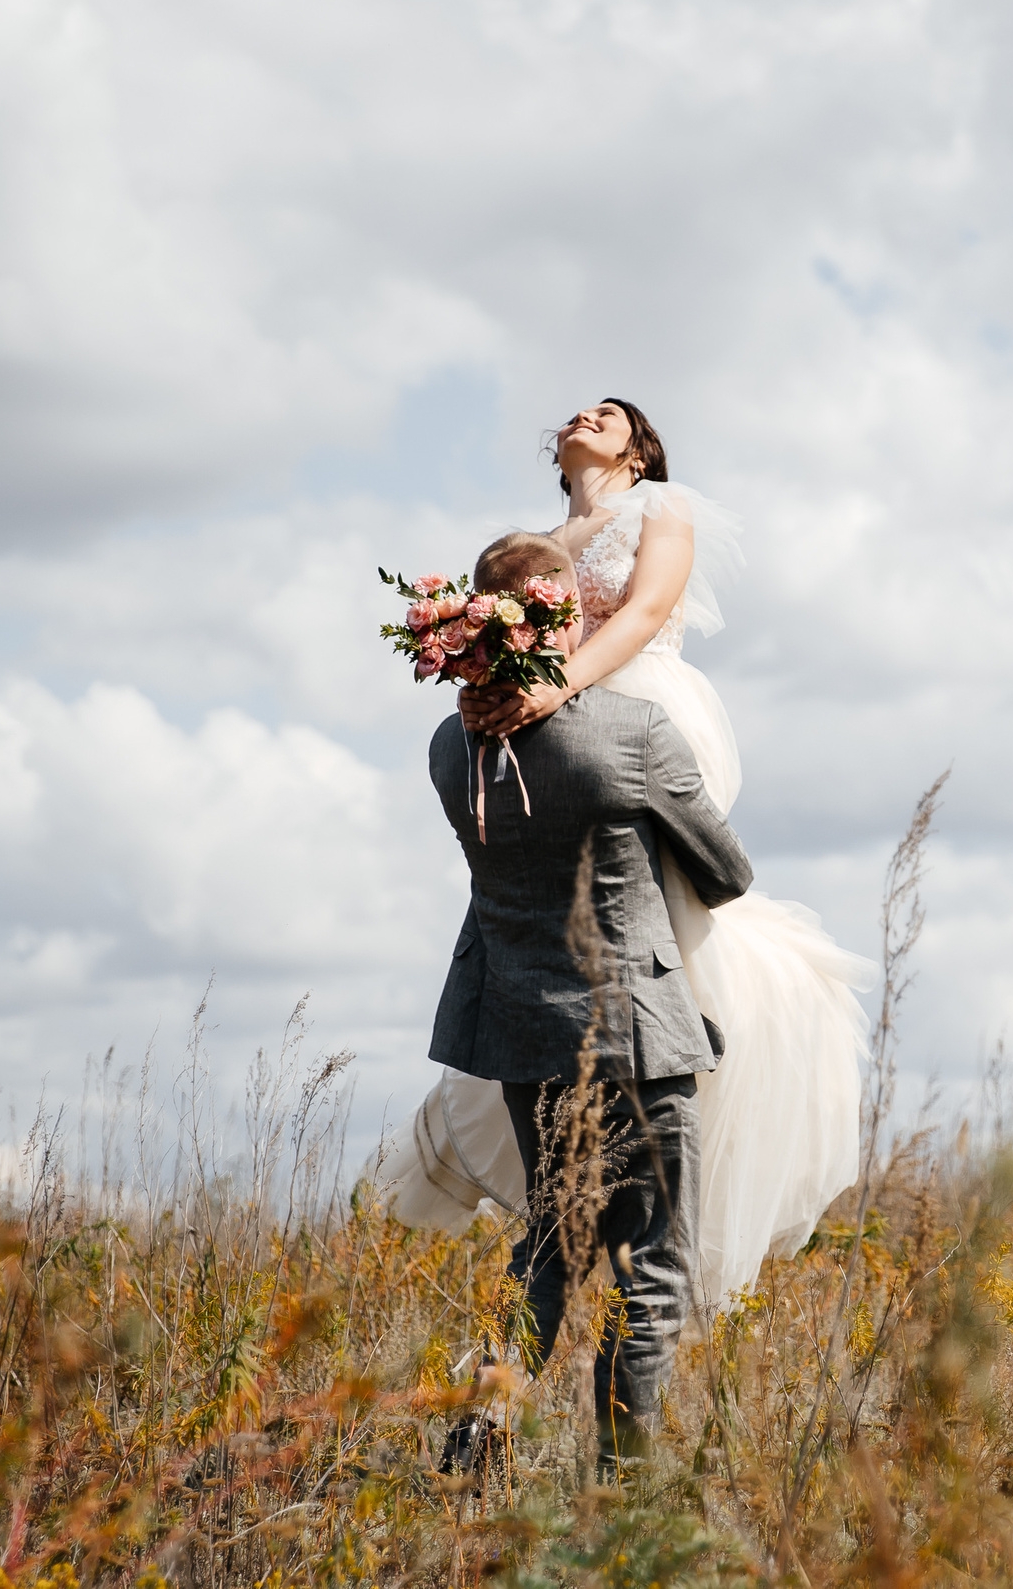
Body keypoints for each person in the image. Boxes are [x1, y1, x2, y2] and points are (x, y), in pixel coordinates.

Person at [378, 399, 873, 1315]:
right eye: (577, 407)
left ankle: (674, 1043)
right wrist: (495, 689)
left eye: (609, 412)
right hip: (543, 720)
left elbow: (644, 611)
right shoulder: (530, 541)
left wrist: (551, 685)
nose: (584, 413)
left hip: (629, 705)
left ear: (638, 451)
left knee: (656, 901)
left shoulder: (663, 507)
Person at [422, 528, 754, 1475]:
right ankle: (624, 1473)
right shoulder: (634, 732)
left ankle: (479, 1433)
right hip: (638, 1037)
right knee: (653, 1264)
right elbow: (727, 871)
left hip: (525, 1037)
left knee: (552, 1251)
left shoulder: (453, 746)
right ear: (567, 612)